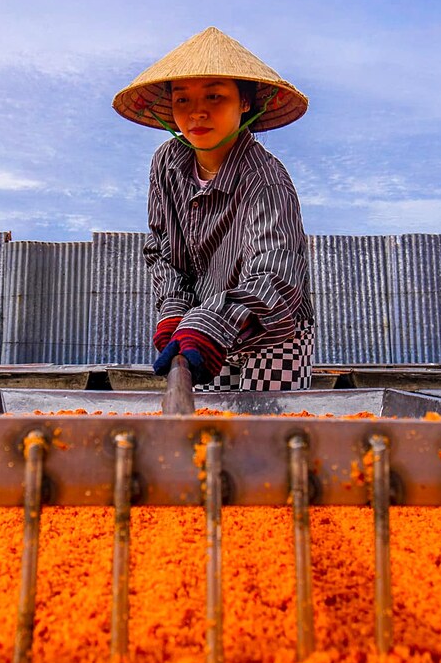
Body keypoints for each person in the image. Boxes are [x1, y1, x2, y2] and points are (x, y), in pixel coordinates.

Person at [112, 27, 315, 391]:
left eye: (215, 96)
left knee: (262, 439)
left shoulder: (265, 180)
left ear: (246, 103)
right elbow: (162, 248)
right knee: (208, 432)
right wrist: (174, 308)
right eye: (183, 100)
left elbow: (277, 279)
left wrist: (210, 322)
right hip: (201, 327)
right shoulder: (166, 163)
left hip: (271, 329)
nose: (197, 113)